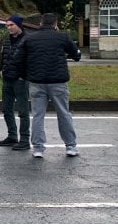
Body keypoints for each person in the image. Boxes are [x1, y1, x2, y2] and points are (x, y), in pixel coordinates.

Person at [15, 12, 82, 158]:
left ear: (40, 23)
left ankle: (38, 148)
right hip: (58, 82)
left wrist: (24, 75)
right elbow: (76, 54)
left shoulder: (29, 38)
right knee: (63, 113)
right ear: (55, 24)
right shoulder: (62, 37)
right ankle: (70, 146)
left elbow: (18, 58)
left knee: (38, 115)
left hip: (36, 82)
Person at [0, 15, 30, 151]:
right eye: (7, 25)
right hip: (7, 79)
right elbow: (3, 57)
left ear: (18, 25)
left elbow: (30, 60)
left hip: (20, 81)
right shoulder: (7, 41)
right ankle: (12, 136)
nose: (9, 28)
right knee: (6, 109)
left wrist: (24, 75)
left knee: (23, 111)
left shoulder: (27, 40)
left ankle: (24, 139)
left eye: (11, 25)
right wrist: (1, 69)